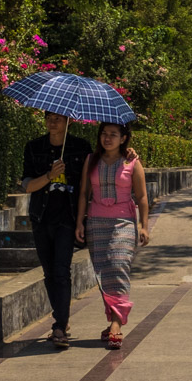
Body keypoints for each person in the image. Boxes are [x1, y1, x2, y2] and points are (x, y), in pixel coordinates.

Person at [75, 122, 149, 350]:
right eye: (104, 134)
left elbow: (142, 196)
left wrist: (144, 225)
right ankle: (113, 320)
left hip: (124, 222)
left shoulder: (132, 162)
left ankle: (116, 324)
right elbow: (84, 193)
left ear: (123, 138)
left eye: (113, 135)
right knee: (101, 271)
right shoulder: (91, 160)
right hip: (96, 222)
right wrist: (80, 221)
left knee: (118, 266)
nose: (107, 138)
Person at [21, 111, 92, 349]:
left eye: (58, 118)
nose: (53, 122)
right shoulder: (33, 147)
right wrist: (49, 176)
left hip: (67, 219)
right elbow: (28, 186)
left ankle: (59, 325)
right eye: (49, 117)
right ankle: (62, 317)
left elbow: (87, 183)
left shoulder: (81, 148)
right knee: (49, 272)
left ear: (67, 122)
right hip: (41, 218)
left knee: (62, 271)